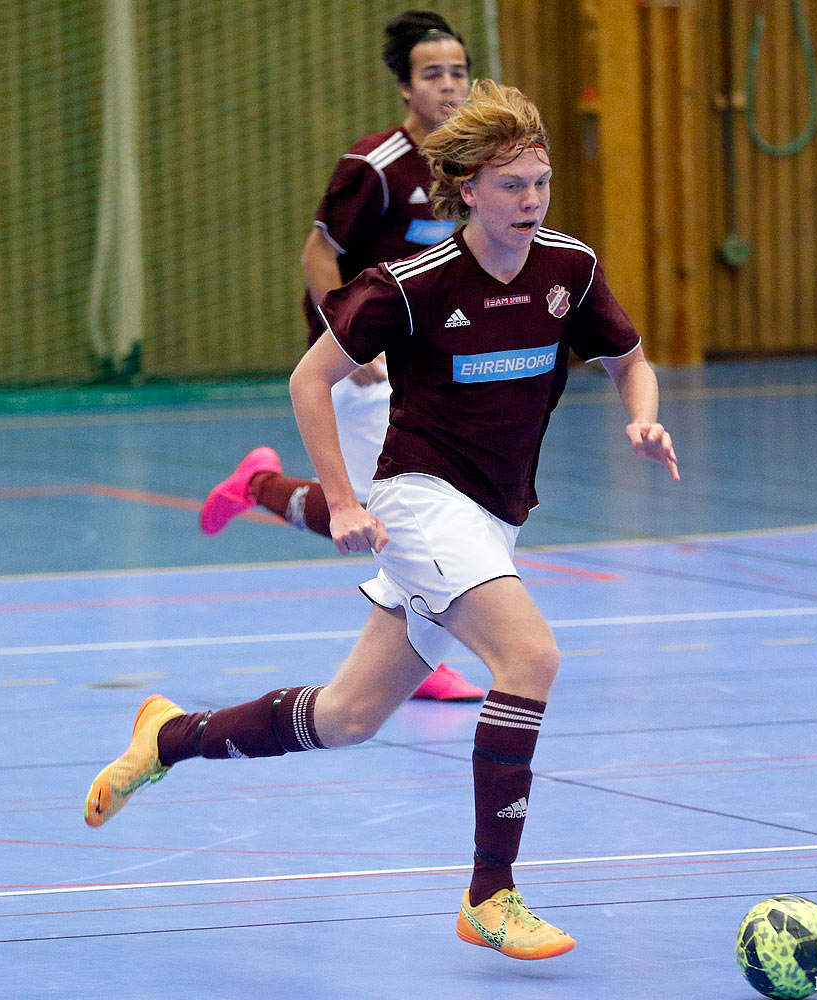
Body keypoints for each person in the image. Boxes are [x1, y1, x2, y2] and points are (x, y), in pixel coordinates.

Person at [86, 79, 679, 962]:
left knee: (348, 716)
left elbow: (631, 358)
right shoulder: (409, 283)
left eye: (542, 182)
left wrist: (642, 413)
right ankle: (492, 894)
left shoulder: (570, 269)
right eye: (512, 184)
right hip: (422, 500)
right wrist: (346, 499)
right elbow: (308, 379)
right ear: (467, 188)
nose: (531, 201)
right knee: (532, 657)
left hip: (494, 516)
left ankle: (167, 736)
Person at [198, 9, 483, 702]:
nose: (448, 85)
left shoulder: (473, 165)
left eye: (458, 71)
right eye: (432, 74)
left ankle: (258, 486)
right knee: (403, 516)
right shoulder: (375, 166)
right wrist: (352, 348)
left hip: (432, 365)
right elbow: (317, 255)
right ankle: (422, 658)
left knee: (390, 512)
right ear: (405, 88)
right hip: (365, 364)